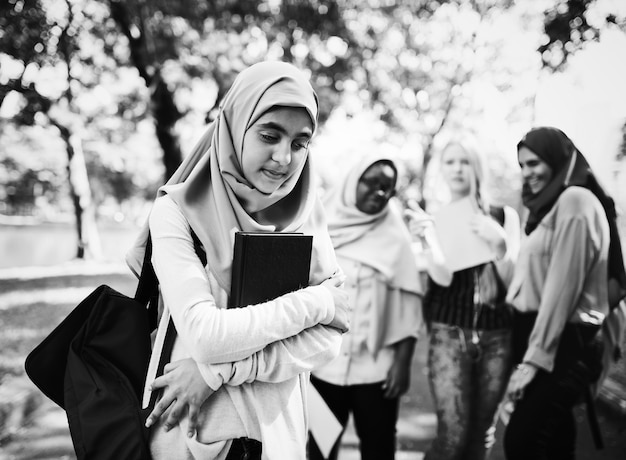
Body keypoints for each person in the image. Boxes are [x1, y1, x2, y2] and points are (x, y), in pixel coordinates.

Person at [125, 61, 351, 460]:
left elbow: (328, 341)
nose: (284, 158)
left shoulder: (306, 215)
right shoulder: (178, 211)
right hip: (194, 436)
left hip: (280, 438)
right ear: (234, 126)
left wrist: (218, 372)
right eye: (269, 135)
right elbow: (207, 336)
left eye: (300, 143)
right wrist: (318, 303)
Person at [502, 126, 626, 460]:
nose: (527, 173)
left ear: (558, 160)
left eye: (534, 162)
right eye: (522, 165)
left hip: (566, 341)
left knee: (522, 442)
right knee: (553, 440)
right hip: (546, 337)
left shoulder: (575, 200)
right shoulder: (548, 211)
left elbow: (562, 289)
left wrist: (533, 361)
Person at [405, 135, 521, 460]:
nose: (457, 169)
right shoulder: (437, 219)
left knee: (481, 435)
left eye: (464, 161)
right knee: (452, 437)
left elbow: (514, 285)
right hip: (448, 333)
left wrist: (500, 246)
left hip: (498, 336)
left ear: (477, 166)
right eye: (450, 161)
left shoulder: (504, 216)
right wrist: (428, 241)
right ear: (442, 169)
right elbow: (441, 277)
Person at [307, 154, 424, 460]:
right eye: (372, 183)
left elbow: (410, 301)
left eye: (388, 187)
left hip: (376, 370)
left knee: (379, 449)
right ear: (352, 182)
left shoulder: (395, 237)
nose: (380, 192)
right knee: (319, 450)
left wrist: (403, 361)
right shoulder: (319, 230)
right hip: (322, 367)